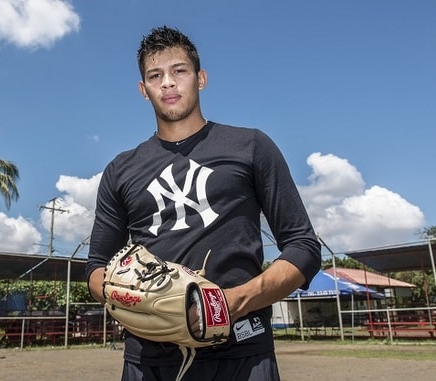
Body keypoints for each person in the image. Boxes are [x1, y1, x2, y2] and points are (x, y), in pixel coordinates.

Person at [85, 26, 321, 381]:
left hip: (242, 354)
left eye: (179, 71)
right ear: (143, 91)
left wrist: (229, 302)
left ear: (201, 78)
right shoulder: (121, 169)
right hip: (148, 361)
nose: (168, 83)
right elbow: (96, 266)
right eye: (155, 75)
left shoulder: (251, 146)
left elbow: (303, 247)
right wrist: (128, 298)